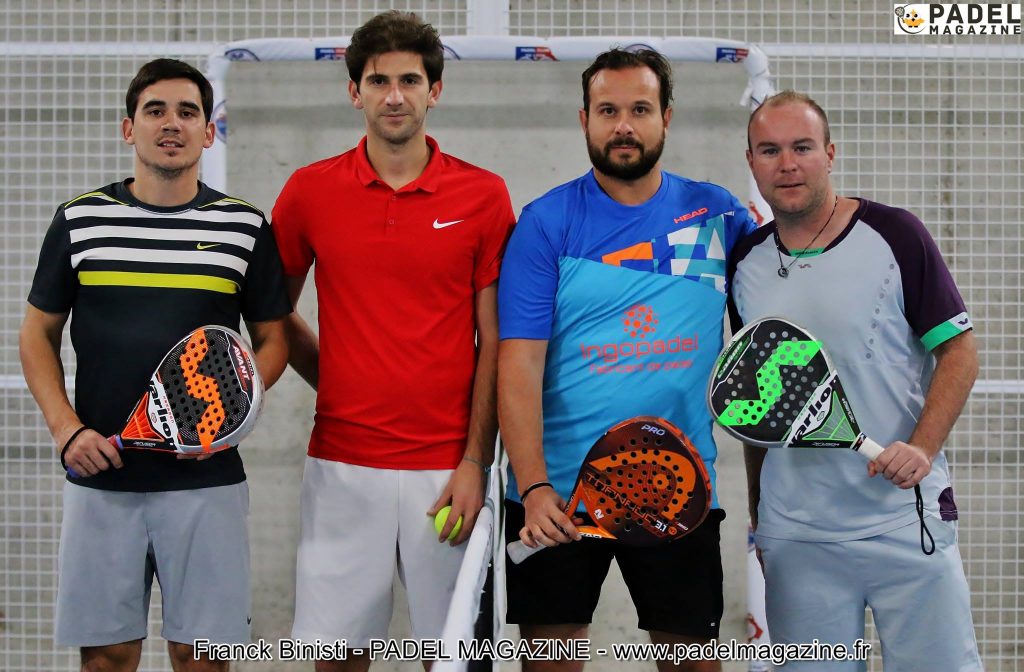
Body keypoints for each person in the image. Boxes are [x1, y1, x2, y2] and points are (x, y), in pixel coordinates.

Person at [19, 58, 291, 672]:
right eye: (156, 111)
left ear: (208, 131)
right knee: (108, 657)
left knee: (202, 658)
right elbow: (37, 333)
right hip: (101, 478)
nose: (172, 124)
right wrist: (67, 431)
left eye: (187, 112)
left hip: (208, 481)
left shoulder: (243, 227)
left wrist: (225, 416)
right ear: (128, 128)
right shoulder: (79, 219)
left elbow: (272, 341)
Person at [270, 11, 515, 671]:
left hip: (449, 476)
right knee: (338, 658)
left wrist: (474, 463)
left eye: (410, 80)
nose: (395, 95)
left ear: (435, 90)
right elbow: (274, 317)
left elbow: (496, 342)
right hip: (343, 471)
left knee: (459, 659)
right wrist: (345, 378)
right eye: (379, 81)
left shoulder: (485, 197)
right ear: (356, 91)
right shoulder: (308, 192)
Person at [498, 48, 756, 672]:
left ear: (666, 117)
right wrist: (533, 488)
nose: (623, 125)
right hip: (558, 496)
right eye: (608, 110)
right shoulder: (545, 224)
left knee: (691, 662)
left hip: (680, 487)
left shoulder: (718, 216)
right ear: (583, 119)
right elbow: (518, 366)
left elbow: (766, 332)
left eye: (639, 109)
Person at [731, 90, 982, 670]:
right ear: (751, 163)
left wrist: (922, 448)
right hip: (797, 537)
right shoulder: (744, 263)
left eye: (802, 147)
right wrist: (761, 515)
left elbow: (960, 353)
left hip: (904, 519)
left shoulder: (896, 234)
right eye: (769, 150)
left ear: (830, 153)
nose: (787, 163)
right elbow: (760, 402)